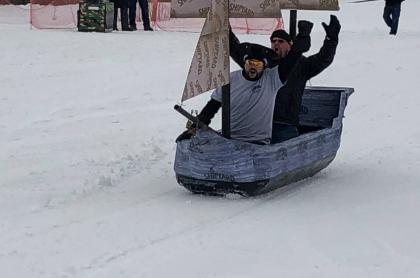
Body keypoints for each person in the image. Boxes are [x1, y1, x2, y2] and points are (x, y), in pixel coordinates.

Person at [230, 15, 340, 144]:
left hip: (284, 125)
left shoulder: (301, 66)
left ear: (290, 45)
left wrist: (331, 39)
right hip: (258, 124)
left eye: (281, 41)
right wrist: (225, 29)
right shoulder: (263, 63)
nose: (276, 43)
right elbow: (236, 50)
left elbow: (323, 59)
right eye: (273, 41)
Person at [176, 44, 283, 145]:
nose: (253, 67)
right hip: (230, 140)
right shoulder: (230, 80)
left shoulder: (271, 79)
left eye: (258, 64)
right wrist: (193, 129)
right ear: (244, 63)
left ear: (264, 67)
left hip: (258, 142)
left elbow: (291, 60)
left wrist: (300, 38)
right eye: (250, 63)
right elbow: (211, 108)